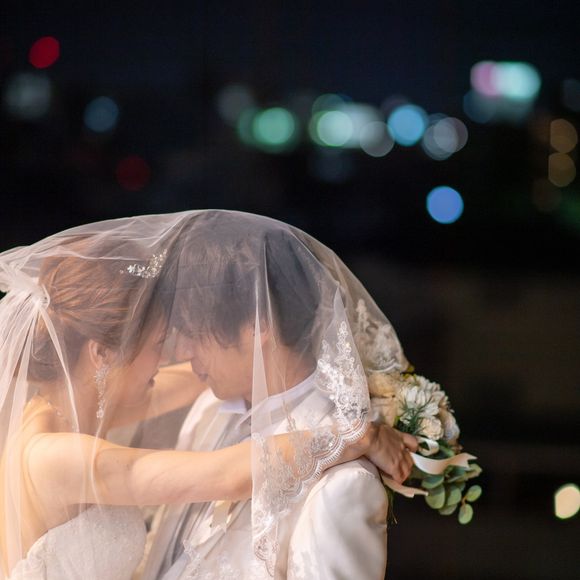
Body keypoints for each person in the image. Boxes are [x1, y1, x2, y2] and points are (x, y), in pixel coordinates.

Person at [0, 212, 415, 580]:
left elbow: (199, 376)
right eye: (158, 345)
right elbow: (224, 475)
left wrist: (271, 360)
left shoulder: (66, 409)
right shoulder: (52, 457)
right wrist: (356, 435)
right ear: (102, 354)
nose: (173, 357)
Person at [141, 211, 418, 579]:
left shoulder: (343, 484)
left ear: (259, 325)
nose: (183, 351)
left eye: (195, 332)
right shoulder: (208, 409)